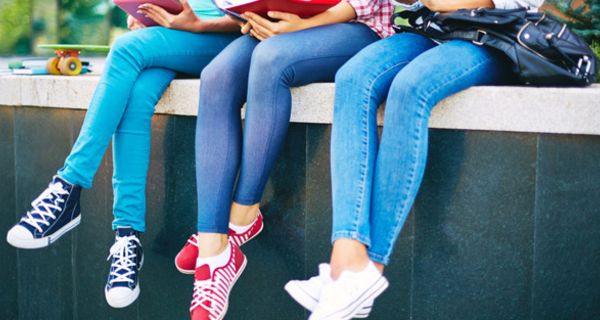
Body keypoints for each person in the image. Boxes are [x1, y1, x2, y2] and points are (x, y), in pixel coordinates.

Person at [285, 0, 545, 319]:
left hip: (494, 34)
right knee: (353, 78)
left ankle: (367, 271)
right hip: (432, 30)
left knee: (411, 88)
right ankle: (345, 260)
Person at [6, 0, 239, 308]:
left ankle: (68, 186)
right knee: (138, 94)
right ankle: (127, 237)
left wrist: (195, 24)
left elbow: (254, 15)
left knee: (126, 49)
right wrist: (149, 14)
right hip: (178, 34)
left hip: (227, 41)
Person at [170, 1, 395, 319]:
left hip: (357, 26)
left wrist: (302, 25)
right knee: (217, 76)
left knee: (270, 58)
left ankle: (243, 214)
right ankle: (214, 252)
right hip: (282, 26)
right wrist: (249, 14)